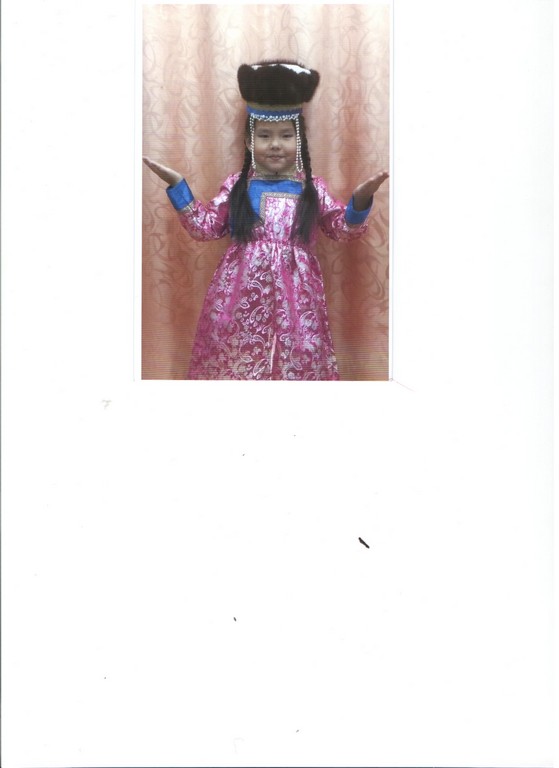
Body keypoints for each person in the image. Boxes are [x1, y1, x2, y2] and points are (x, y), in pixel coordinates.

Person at [143, 59, 388, 380]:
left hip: (297, 301)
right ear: (249, 141)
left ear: (299, 141)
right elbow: (205, 227)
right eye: (264, 136)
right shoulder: (237, 187)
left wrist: (360, 200)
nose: (275, 144)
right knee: (239, 366)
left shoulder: (311, 189)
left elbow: (343, 229)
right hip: (239, 300)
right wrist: (178, 186)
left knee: (296, 365)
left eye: (286, 135)